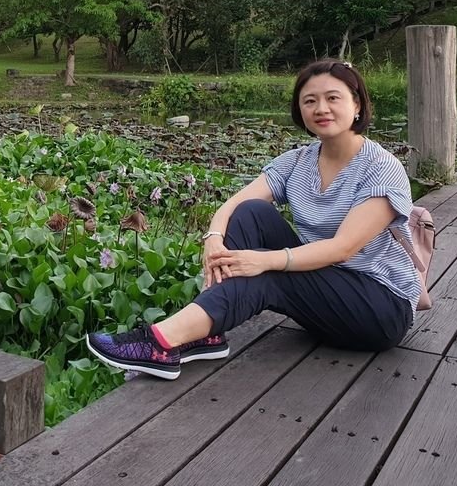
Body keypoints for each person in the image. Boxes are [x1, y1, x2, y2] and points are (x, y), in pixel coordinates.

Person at [87, 59, 420, 380]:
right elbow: (233, 205)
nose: (321, 109)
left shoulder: (380, 167)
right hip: (322, 296)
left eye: (333, 98)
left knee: (268, 273)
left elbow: (342, 249)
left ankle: (160, 342)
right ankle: (205, 332)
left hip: (379, 309)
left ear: (357, 104)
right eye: (310, 100)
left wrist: (264, 260)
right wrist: (214, 238)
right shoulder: (298, 161)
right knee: (250, 213)